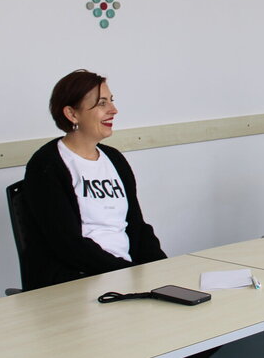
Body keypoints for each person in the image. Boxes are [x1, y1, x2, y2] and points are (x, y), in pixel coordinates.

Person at [23, 69, 166, 291]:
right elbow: (68, 245)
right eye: (101, 104)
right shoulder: (47, 165)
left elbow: (136, 226)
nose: (113, 110)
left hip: (123, 275)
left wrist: (162, 270)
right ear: (72, 114)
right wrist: (126, 273)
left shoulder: (115, 160)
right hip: (77, 283)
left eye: (111, 101)